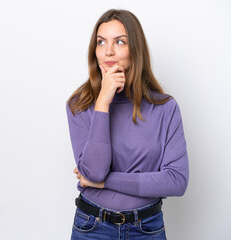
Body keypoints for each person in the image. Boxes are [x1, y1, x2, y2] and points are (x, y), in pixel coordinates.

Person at [65, 9, 189, 239]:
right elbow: (94, 170)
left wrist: (103, 182)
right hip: (92, 228)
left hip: (147, 228)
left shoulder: (165, 108)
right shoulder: (79, 105)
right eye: (101, 42)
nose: (108, 51)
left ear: (136, 50)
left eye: (120, 42)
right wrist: (102, 102)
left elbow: (176, 181)